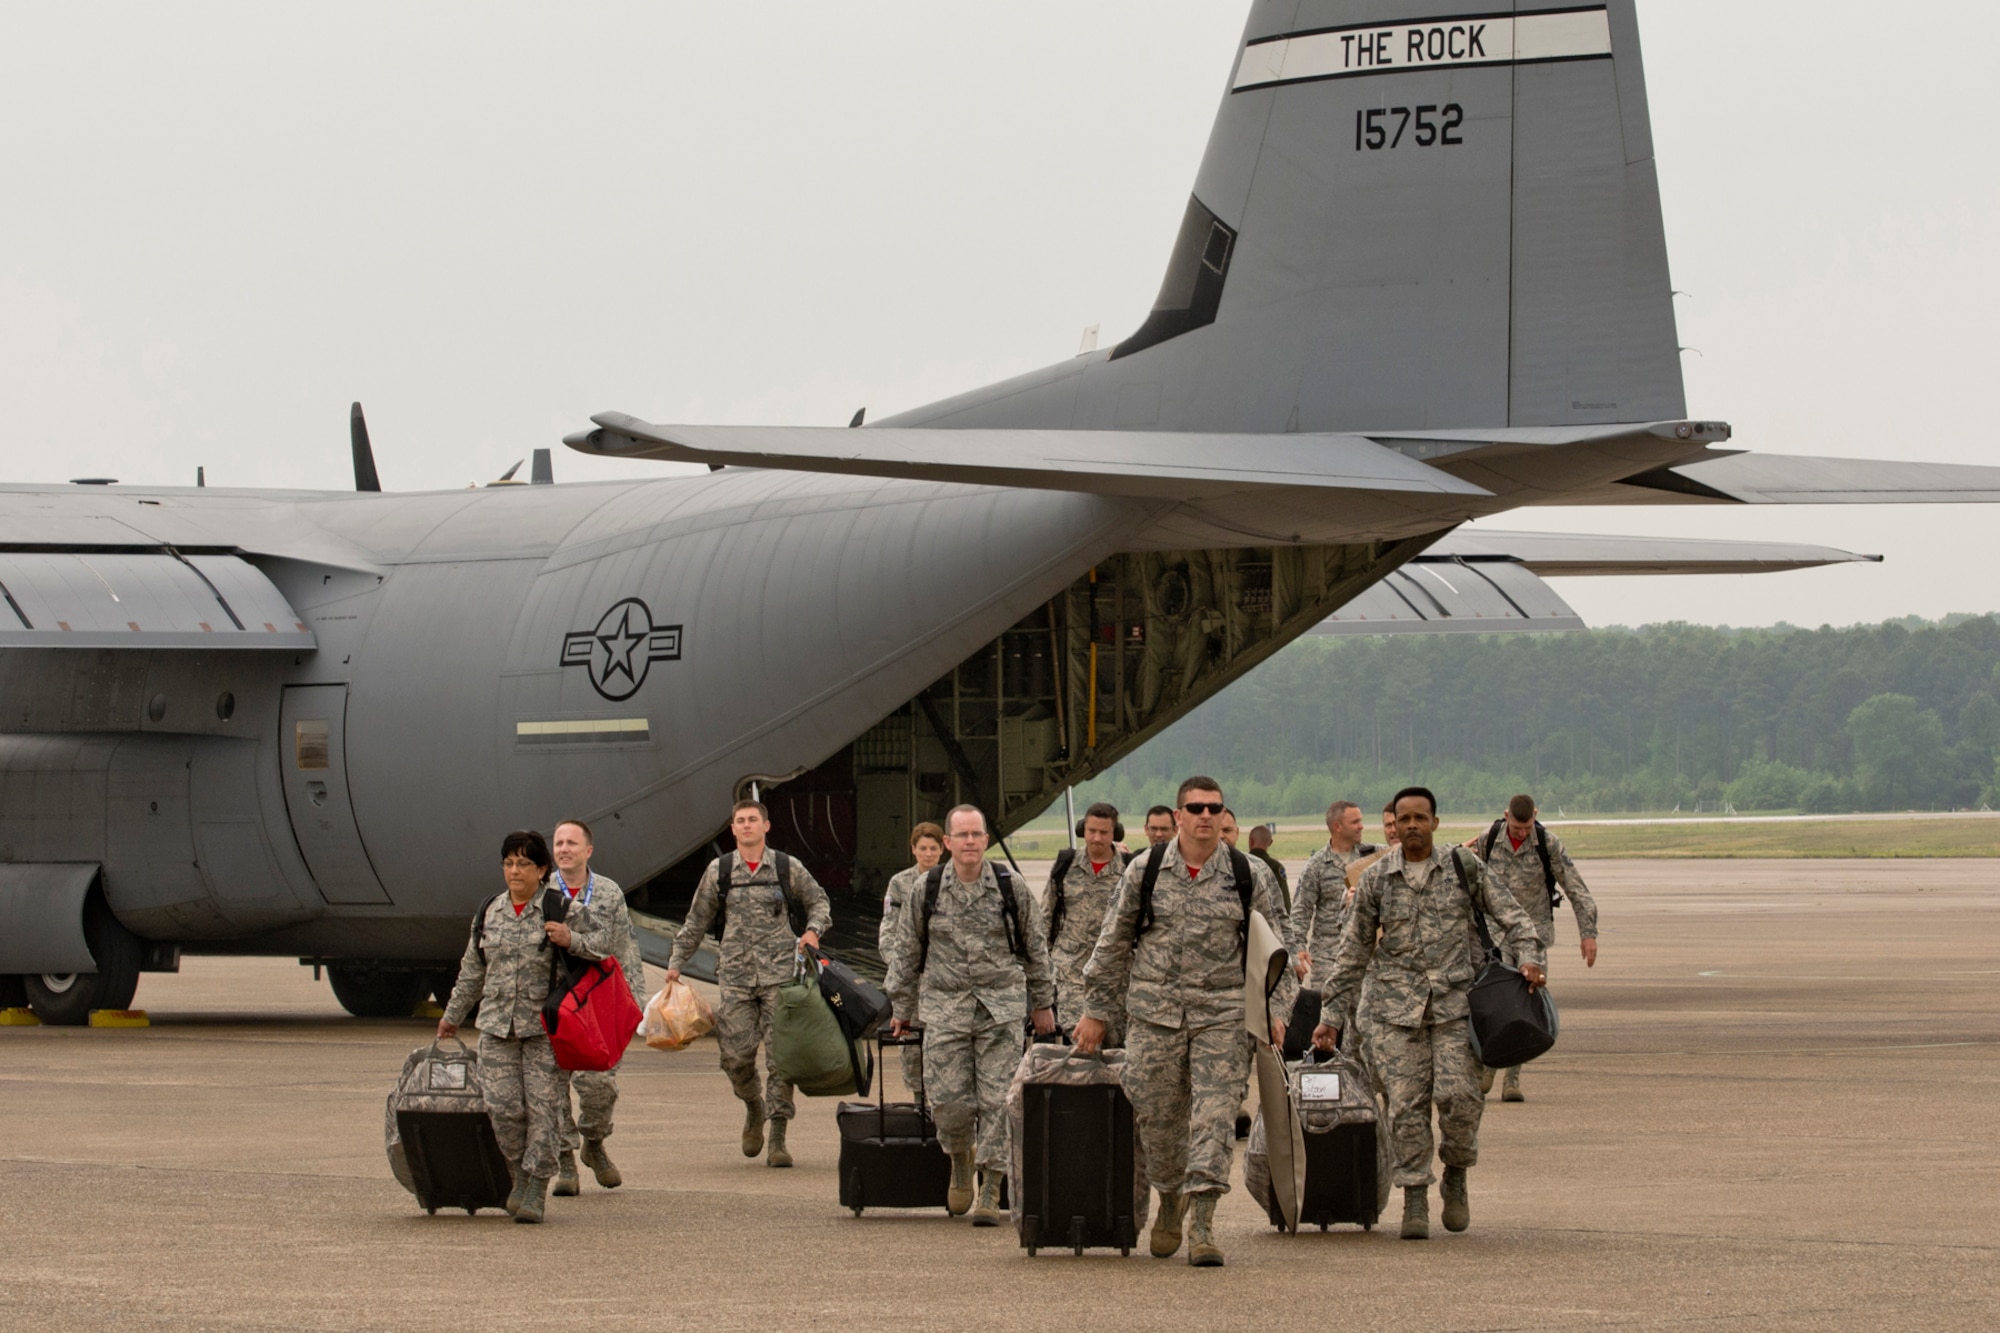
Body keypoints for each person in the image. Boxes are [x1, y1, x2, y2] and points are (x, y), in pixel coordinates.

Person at [1075, 777, 1291, 1268]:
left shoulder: (1247, 872)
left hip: (1224, 1015)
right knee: (1156, 1117)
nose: (1206, 816)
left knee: (1214, 1117)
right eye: (1195, 807)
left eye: (1215, 808)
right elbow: (1113, 942)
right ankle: (1171, 1195)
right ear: (1178, 816)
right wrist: (1095, 1011)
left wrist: (1277, 1009)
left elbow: (1277, 943)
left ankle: (1205, 1223)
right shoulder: (1145, 871)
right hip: (1154, 1015)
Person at [1312, 787, 1544, 1241]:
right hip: (1394, 1013)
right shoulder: (1377, 879)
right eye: (1404, 818)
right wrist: (1331, 1014)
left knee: (1459, 1097)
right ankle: (1414, 1192)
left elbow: (1514, 916)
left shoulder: (1464, 867)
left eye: (1421, 817)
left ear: (1435, 823)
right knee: (1404, 1107)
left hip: (1456, 1006)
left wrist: (1530, 957)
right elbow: (1352, 951)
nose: (1412, 825)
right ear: (1394, 826)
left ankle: (1455, 1170)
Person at [884, 805, 1056, 1226]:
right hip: (944, 1009)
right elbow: (906, 953)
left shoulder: (1009, 887)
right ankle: (960, 1158)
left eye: (976, 835)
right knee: (948, 1102)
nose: (969, 842)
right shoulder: (926, 889)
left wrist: (1043, 1002)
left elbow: (1035, 948)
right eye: (960, 835)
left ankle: (992, 1187)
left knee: (999, 1101)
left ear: (985, 840)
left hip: (1000, 1009)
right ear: (947, 843)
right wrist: (902, 1009)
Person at [665, 799, 831, 1169]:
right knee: (735, 1058)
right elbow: (696, 920)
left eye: (753, 820)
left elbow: (819, 901)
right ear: (733, 829)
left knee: (781, 1060)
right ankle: (753, 1105)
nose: (747, 826)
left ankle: (777, 1136)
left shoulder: (787, 867)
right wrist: (677, 962)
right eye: (740, 821)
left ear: (766, 826)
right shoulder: (720, 871)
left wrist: (812, 931)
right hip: (736, 979)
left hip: (780, 979)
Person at [437, 830, 567, 1224]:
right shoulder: (488, 911)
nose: (515, 870)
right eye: (509, 863)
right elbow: (472, 970)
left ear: (542, 869)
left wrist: (571, 937)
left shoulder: (558, 908)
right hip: (496, 1027)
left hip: (545, 1029)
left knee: (544, 1112)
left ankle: (536, 1189)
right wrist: (452, 1015)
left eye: (524, 863)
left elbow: (601, 947)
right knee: (503, 1110)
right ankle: (520, 1172)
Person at [1468, 794, 1599, 1102]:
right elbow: (1464, 878)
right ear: (1506, 817)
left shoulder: (1547, 843)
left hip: (1534, 936)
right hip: (1497, 936)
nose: (1522, 833)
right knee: (1492, 1002)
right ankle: (1488, 1065)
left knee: (1526, 1003)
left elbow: (1576, 887)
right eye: (1516, 827)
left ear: (1535, 817)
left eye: (1526, 827)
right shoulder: (1488, 840)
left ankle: (1512, 1079)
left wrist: (1588, 933)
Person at [544, 818, 645, 1197]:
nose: (564, 849)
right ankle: (565, 1159)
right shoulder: (543, 891)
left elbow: (621, 947)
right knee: (552, 1089)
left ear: (588, 850)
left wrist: (634, 1003)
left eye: (572, 843)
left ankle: (594, 1142)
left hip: (595, 1003)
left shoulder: (608, 893)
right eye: (559, 843)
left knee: (598, 1086)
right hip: (553, 1004)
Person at [1045, 802, 1130, 1042]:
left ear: (1115, 834)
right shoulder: (1065, 865)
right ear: (1083, 830)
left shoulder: (1129, 870)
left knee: (1116, 1047)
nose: (1096, 838)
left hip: (1115, 978)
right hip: (1071, 973)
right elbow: (1046, 915)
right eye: (1091, 831)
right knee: (1080, 1044)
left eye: (1103, 832)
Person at [878, 821, 946, 1101]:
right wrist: (901, 967)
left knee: (945, 1045)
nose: (928, 854)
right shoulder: (900, 883)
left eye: (933, 848)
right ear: (913, 849)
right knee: (910, 1044)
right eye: (923, 848)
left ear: (942, 850)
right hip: (911, 981)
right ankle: (919, 1102)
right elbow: (888, 930)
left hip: (944, 979)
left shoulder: (952, 880)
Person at [1286, 800, 1379, 986]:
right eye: (1355, 822)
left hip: (1365, 957)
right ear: (1337, 827)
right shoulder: (1317, 866)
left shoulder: (1371, 856)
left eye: (1361, 821)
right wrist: (1298, 948)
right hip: (1328, 959)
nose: (1361, 826)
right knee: (1327, 1012)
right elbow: (1300, 912)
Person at [1245, 822, 1290, 913]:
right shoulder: (1276, 867)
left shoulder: (1242, 863)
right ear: (1270, 843)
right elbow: (1284, 901)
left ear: (1251, 841)